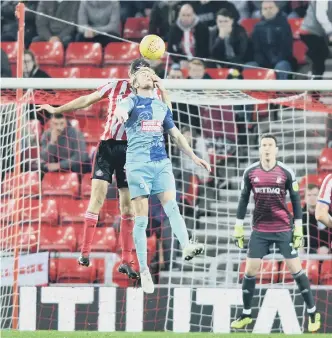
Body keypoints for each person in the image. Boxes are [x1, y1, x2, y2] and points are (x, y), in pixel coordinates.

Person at [36, 59, 159, 280]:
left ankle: (125, 261)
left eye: (146, 73)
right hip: (107, 148)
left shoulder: (153, 96)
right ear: (131, 74)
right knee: (97, 198)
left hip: (131, 152)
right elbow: (86, 100)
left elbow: (158, 123)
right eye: (139, 73)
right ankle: (84, 253)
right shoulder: (116, 86)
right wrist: (57, 109)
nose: (142, 77)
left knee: (127, 207)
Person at [114, 68, 210, 293]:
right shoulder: (131, 100)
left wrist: (195, 157)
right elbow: (122, 107)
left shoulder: (161, 106)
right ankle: (145, 272)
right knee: (141, 221)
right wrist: (120, 112)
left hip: (161, 163)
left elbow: (176, 135)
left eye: (150, 72)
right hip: (139, 165)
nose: (148, 74)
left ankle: (186, 246)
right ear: (134, 82)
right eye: (142, 73)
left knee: (173, 208)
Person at [231, 134, 321, 332]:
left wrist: (298, 228)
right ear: (260, 148)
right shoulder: (250, 172)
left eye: (270, 145)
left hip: (283, 229)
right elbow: (243, 200)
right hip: (260, 230)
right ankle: (246, 314)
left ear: (276, 149)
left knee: (296, 270)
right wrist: (238, 226)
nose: (267, 148)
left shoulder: (286, 172)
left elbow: (297, 202)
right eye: (264, 145)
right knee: (250, 271)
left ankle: (313, 312)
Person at [248, 1, 294, 80]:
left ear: (277, 9)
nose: (268, 10)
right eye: (265, 8)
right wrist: (264, 67)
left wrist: (273, 69)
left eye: (271, 8)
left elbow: (286, 49)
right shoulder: (257, 27)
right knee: (249, 66)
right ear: (261, 11)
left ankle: (281, 92)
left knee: (281, 66)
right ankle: (253, 92)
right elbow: (256, 50)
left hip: (281, 61)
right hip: (263, 63)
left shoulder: (284, 25)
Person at [167, 3, 210, 68]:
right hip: (180, 62)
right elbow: (170, 49)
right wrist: (180, 61)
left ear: (193, 15)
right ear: (179, 15)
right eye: (183, 15)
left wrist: (195, 61)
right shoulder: (174, 29)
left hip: (199, 61)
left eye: (188, 15)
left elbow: (205, 49)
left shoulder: (202, 28)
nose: (186, 18)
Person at [300, 1, 332, 79]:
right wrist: (330, 32)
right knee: (319, 60)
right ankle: (314, 88)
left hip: (316, 33)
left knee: (323, 53)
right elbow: (321, 16)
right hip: (310, 31)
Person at [303, 184, 331, 253]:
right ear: (305, 198)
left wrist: (329, 248)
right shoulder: (299, 216)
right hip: (305, 251)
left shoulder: (328, 215)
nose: (312, 198)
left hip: (325, 251)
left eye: (315, 195)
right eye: (309, 195)